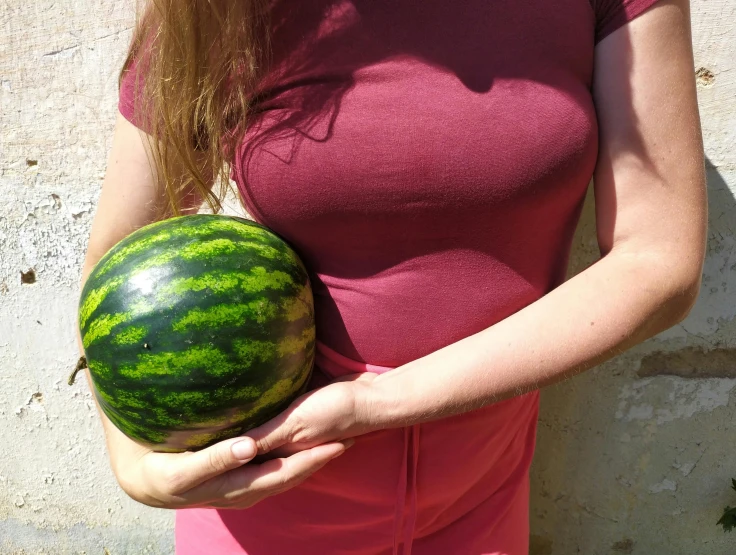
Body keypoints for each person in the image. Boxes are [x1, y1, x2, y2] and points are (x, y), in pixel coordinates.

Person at [79, 0, 707, 553]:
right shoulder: (215, 6)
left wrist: (372, 405)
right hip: (271, 492)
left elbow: (657, 262)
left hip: (482, 495)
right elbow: (115, 262)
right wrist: (134, 465)